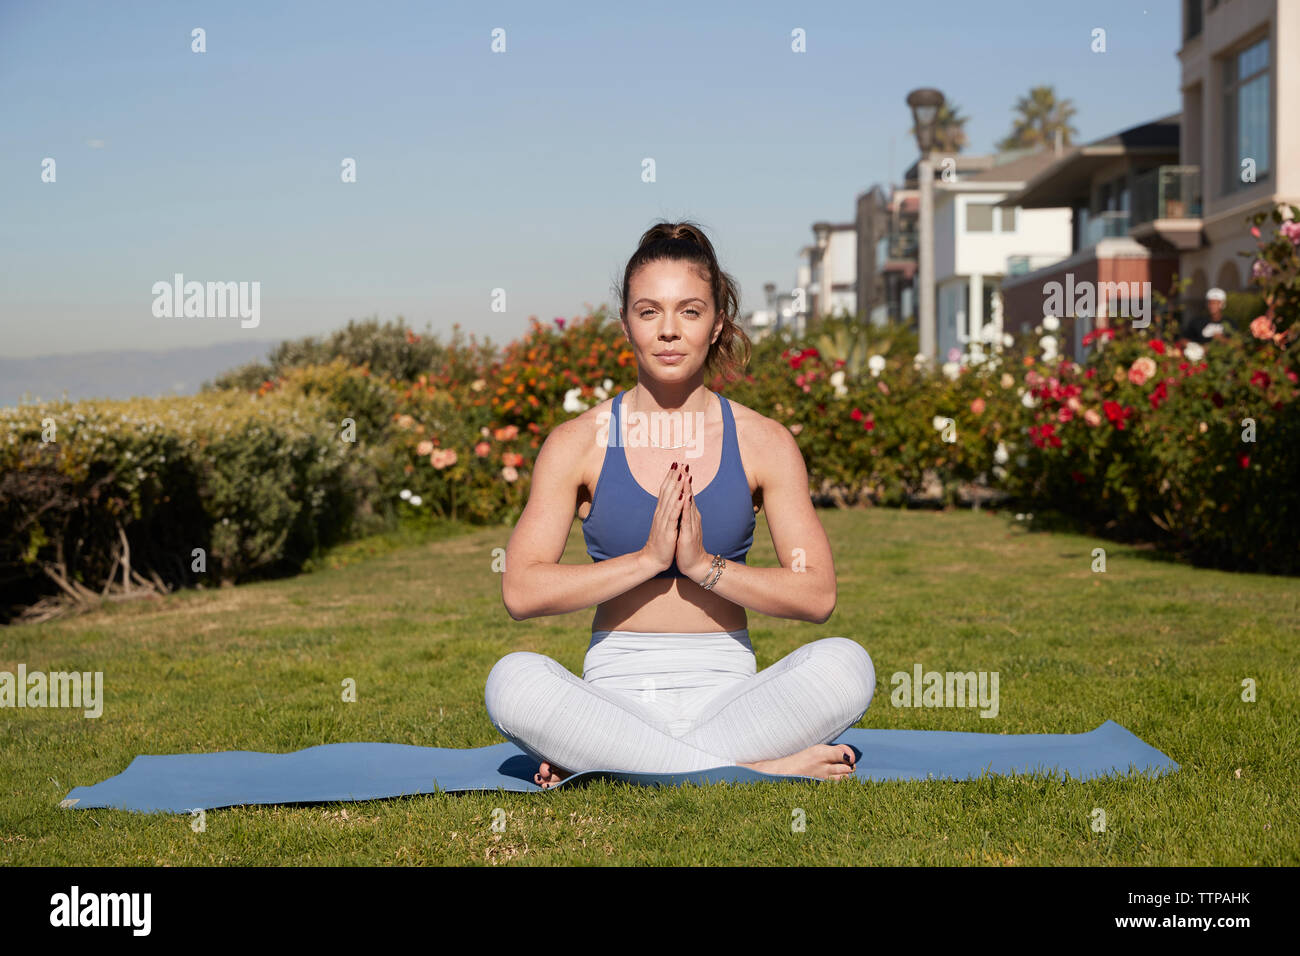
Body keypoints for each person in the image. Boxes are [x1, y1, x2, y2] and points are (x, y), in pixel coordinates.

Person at [486, 221, 876, 788]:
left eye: (690, 311)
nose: (669, 331)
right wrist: (647, 560)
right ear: (626, 325)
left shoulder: (764, 440)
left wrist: (701, 567)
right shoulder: (578, 442)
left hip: (735, 697)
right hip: (615, 696)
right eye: (649, 312)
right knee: (511, 680)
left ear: (717, 323)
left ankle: (624, 764)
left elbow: (817, 595)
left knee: (847, 665)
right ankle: (746, 769)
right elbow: (521, 590)